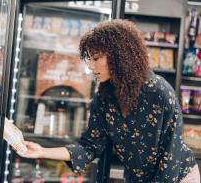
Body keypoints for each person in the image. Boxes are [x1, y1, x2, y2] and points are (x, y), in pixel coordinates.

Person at [17, 19, 200, 183]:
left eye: (96, 58)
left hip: (179, 177)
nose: (90, 66)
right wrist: (42, 151)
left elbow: (170, 156)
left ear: (119, 56)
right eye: (89, 59)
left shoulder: (159, 92)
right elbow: (89, 146)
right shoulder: (104, 98)